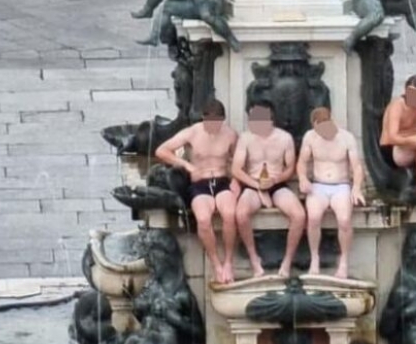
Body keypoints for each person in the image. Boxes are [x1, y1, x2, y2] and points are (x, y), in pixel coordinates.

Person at [155, 99, 239, 283]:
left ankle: (228, 262)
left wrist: (237, 181)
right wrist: (186, 165)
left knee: (230, 214)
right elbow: (162, 151)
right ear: (203, 119)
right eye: (210, 123)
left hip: (222, 181)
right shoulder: (192, 132)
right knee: (203, 219)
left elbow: (239, 161)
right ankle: (216, 263)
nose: (214, 127)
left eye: (217, 123)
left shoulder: (230, 135)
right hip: (200, 183)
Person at [232, 100, 306, 278]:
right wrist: (257, 186)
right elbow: (235, 169)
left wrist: (274, 181)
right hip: (253, 183)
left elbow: (290, 168)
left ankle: (287, 262)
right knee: (241, 213)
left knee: (299, 215)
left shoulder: (284, 138)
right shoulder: (246, 138)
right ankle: (254, 259)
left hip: (277, 184)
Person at [297, 107, 366, 278]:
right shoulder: (310, 137)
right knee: (313, 218)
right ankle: (315, 258)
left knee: (344, 220)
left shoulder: (346, 138)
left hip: (340, 185)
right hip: (319, 184)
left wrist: (356, 187)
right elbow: (302, 162)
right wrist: (303, 179)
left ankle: (343, 262)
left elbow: (357, 167)